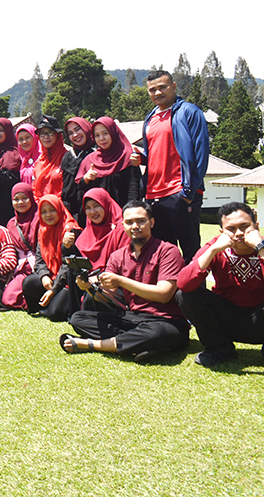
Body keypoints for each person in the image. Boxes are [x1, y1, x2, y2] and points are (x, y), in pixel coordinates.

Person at [177, 202, 264, 374]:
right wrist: (213, 250)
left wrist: (262, 251)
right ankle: (220, 348)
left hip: (262, 321)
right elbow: (184, 284)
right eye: (231, 229)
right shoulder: (215, 248)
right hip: (227, 319)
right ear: (221, 232)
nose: (239, 234)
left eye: (245, 226)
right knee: (186, 295)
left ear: (256, 226)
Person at [61, 201, 190, 362]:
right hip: (133, 317)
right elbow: (108, 295)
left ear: (151, 222)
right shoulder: (118, 256)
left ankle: (93, 344)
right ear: (123, 225)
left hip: (165, 320)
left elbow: (164, 295)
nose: (135, 226)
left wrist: (121, 281)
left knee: (159, 333)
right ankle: (140, 344)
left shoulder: (168, 251)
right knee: (79, 318)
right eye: (129, 222)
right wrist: (89, 287)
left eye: (141, 221)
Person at [139, 70, 210, 262]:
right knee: (164, 254)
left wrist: (188, 194)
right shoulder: (150, 118)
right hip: (154, 195)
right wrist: (140, 159)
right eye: (152, 89)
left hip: (180, 192)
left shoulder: (189, 112)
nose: (157, 92)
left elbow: (201, 154)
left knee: (191, 253)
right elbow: (153, 153)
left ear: (174, 86)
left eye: (162, 87)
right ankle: (168, 285)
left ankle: (193, 285)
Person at [22, 194, 79, 321]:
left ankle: (51, 305)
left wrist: (54, 289)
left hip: (67, 282)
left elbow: (68, 265)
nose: (48, 215)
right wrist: (44, 276)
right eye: (44, 212)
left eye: (52, 210)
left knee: (54, 313)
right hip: (51, 277)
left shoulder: (70, 231)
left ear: (59, 209)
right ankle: (44, 306)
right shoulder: (43, 230)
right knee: (29, 283)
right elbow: (39, 260)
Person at [78, 116, 142, 210]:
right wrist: (86, 179)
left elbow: (134, 190)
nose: (101, 138)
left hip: (124, 213)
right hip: (99, 214)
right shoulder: (90, 160)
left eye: (105, 133)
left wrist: (129, 212)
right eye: (97, 135)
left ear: (113, 133)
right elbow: (82, 191)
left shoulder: (127, 157)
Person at [2, 183, 40, 311]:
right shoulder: (12, 223)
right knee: (8, 299)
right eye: (16, 199)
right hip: (22, 269)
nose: (20, 202)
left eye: (24, 198)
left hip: (41, 267)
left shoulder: (40, 218)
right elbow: (11, 250)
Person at [60, 117, 95, 225]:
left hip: (93, 211)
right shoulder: (69, 155)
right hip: (72, 215)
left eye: (77, 129)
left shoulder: (97, 153)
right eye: (70, 133)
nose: (75, 135)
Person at [32, 115, 68, 201]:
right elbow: (34, 189)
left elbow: (69, 189)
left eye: (50, 132)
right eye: (42, 133)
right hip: (41, 207)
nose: (46, 137)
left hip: (62, 206)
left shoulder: (67, 159)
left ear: (57, 135)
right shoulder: (39, 162)